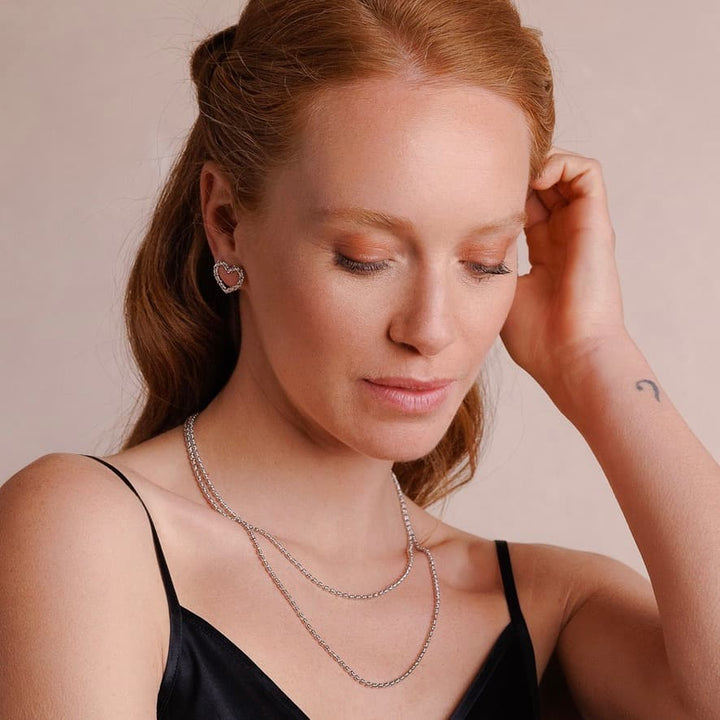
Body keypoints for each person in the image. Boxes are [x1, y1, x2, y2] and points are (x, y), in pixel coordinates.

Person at [1, 0, 718, 718]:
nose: (430, 329)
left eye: (484, 261)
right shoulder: (88, 534)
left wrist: (596, 360)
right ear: (227, 224)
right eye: (365, 259)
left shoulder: (548, 604)